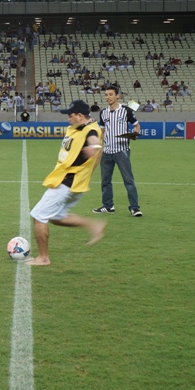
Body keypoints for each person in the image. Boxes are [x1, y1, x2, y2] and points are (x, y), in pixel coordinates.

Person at [27, 100, 106, 266]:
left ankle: (43, 258)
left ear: (79, 116)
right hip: (71, 182)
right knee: (56, 217)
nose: (68, 118)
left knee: (38, 216)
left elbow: (93, 140)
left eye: (70, 115)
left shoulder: (90, 129)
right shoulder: (77, 127)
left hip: (68, 182)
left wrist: (95, 146)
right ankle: (93, 224)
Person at [93, 85, 142, 217]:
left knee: (128, 180)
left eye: (110, 94)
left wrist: (135, 134)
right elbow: (102, 132)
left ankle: (135, 208)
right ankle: (108, 206)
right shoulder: (103, 112)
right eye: (106, 95)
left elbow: (136, 125)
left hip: (122, 151)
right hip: (107, 151)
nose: (107, 97)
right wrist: (98, 146)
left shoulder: (126, 111)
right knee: (105, 181)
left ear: (117, 96)